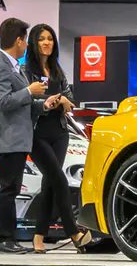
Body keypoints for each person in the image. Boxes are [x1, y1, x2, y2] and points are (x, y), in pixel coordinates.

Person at [0, 18, 67, 254]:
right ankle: (3, 239)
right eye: (26, 40)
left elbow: (23, 104)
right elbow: (2, 103)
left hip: (21, 137)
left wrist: (44, 104)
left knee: (11, 188)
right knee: (8, 189)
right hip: (10, 137)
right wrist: (28, 91)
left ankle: (8, 238)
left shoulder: (12, 65)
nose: (27, 45)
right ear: (20, 41)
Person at [23, 23, 90, 253]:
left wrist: (59, 100)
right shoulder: (25, 71)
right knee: (59, 180)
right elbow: (27, 104)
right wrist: (48, 103)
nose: (46, 42)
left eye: (50, 38)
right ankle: (73, 232)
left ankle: (38, 237)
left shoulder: (58, 71)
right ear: (34, 42)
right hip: (36, 134)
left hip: (60, 133)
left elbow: (69, 100)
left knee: (50, 184)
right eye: (42, 39)